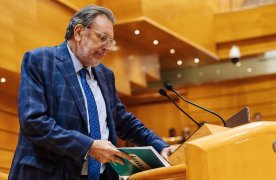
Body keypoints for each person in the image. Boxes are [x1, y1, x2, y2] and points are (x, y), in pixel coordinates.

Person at [9, 5, 172, 180]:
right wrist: (88, 146)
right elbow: (34, 122)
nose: (107, 47)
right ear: (79, 32)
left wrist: (160, 146)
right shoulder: (40, 61)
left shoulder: (105, 74)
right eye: (102, 38)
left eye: (110, 41)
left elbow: (123, 121)